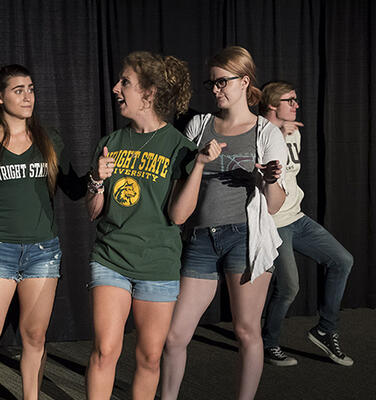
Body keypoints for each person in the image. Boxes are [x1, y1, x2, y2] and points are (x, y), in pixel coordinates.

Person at [85, 51, 223, 400]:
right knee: (105, 349)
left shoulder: (180, 148)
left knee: (148, 357)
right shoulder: (110, 143)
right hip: (111, 258)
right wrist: (97, 181)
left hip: (157, 264)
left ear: (148, 93)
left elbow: (178, 216)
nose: (115, 88)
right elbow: (94, 212)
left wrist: (200, 165)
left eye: (125, 82)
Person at [161, 46, 287, 400]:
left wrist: (268, 181)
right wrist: (198, 162)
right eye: (212, 83)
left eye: (222, 82)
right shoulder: (199, 126)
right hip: (201, 238)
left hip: (243, 238)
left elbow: (274, 206)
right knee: (174, 336)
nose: (215, 90)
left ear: (244, 82)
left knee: (246, 331)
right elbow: (180, 182)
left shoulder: (266, 132)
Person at [0, 64, 81, 400]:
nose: (28, 97)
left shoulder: (49, 138)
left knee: (35, 337)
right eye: (19, 90)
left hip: (43, 252)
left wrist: (97, 178)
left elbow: (74, 188)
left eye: (31, 89)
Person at [259, 81, 354, 367]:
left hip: (296, 217)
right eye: (290, 100)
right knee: (289, 288)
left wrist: (283, 132)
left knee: (342, 260)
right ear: (272, 104)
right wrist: (276, 132)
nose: (296, 105)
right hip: (273, 222)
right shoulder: (256, 131)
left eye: (296, 100)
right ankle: (268, 344)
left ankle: (325, 329)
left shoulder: (294, 132)